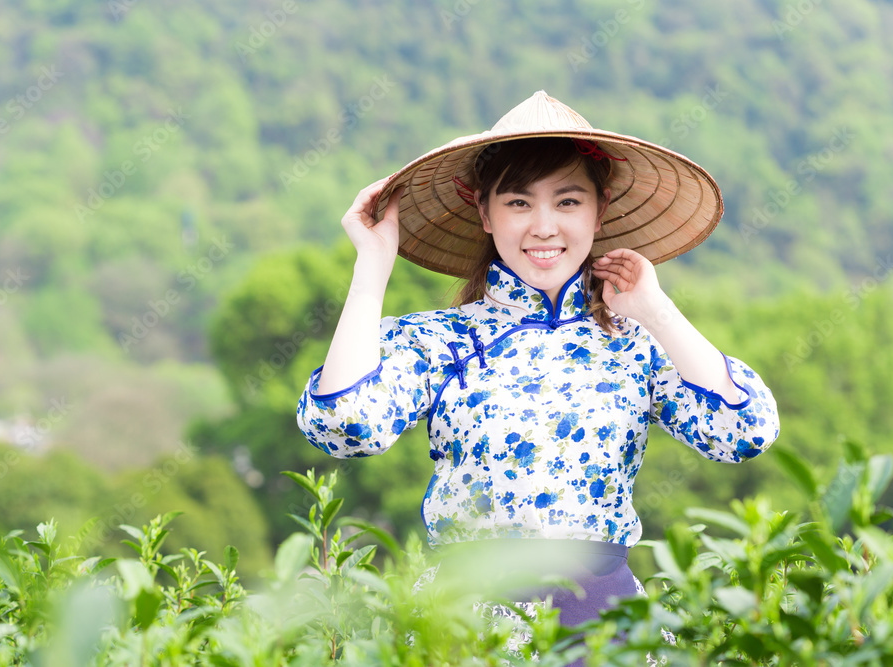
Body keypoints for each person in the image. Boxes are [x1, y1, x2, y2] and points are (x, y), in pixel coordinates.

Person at [295, 90, 780, 658]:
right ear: (486, 214)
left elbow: (744, 432)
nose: (544, 227)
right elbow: (344, 426)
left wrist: (656, 311)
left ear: (599, 212)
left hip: (606, 623)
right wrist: (372, 266)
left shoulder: (637, 345)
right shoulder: (442, 340)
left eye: (568, 202)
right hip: (466, 623)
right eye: (519, 203)